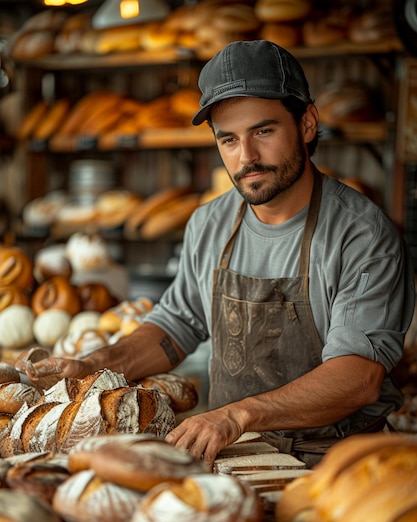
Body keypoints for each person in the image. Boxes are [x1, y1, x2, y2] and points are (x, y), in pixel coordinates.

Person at [25, 40, 415, 469]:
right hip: (232, 455)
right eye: (228, 139)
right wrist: (97, 366)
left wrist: (236, 415)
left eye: (263, 131)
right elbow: (176, 326)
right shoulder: (210, 223)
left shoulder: (361, 235)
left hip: (336, 461)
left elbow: (357, 378)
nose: (246, 157)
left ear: (306, 124)